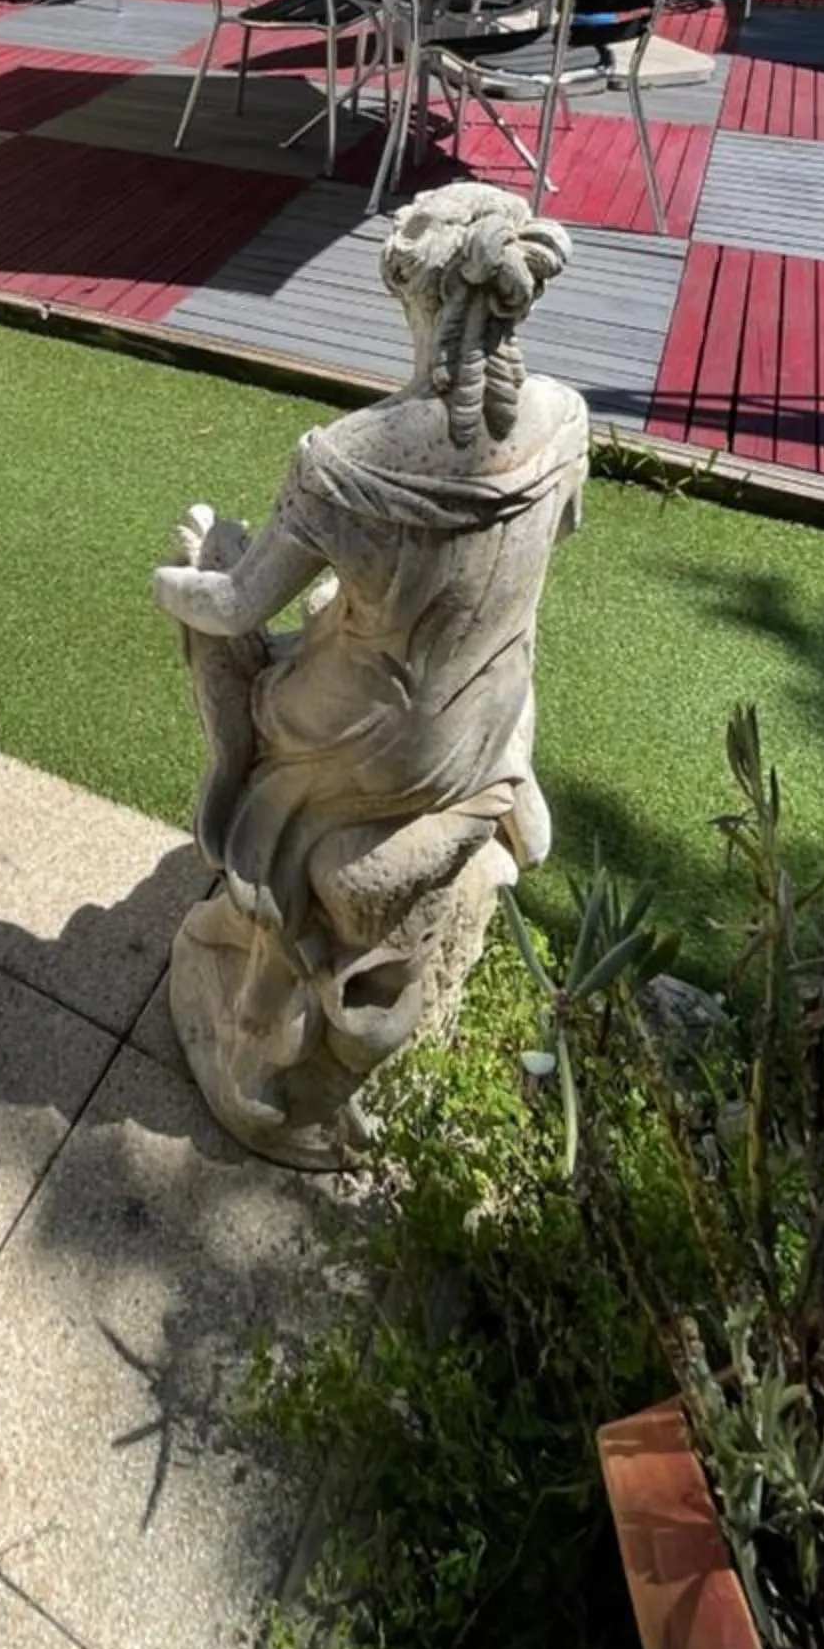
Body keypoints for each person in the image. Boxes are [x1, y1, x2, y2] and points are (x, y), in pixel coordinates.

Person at [153, 183, 588, 1166]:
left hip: (370, 742)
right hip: (480, 712)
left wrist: (181, 573)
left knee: (249, 664)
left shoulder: (346, 459)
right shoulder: (567, 420)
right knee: (349, 624)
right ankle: (500, 790)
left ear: (407, 288)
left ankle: (265, 854)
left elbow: (231, 608)